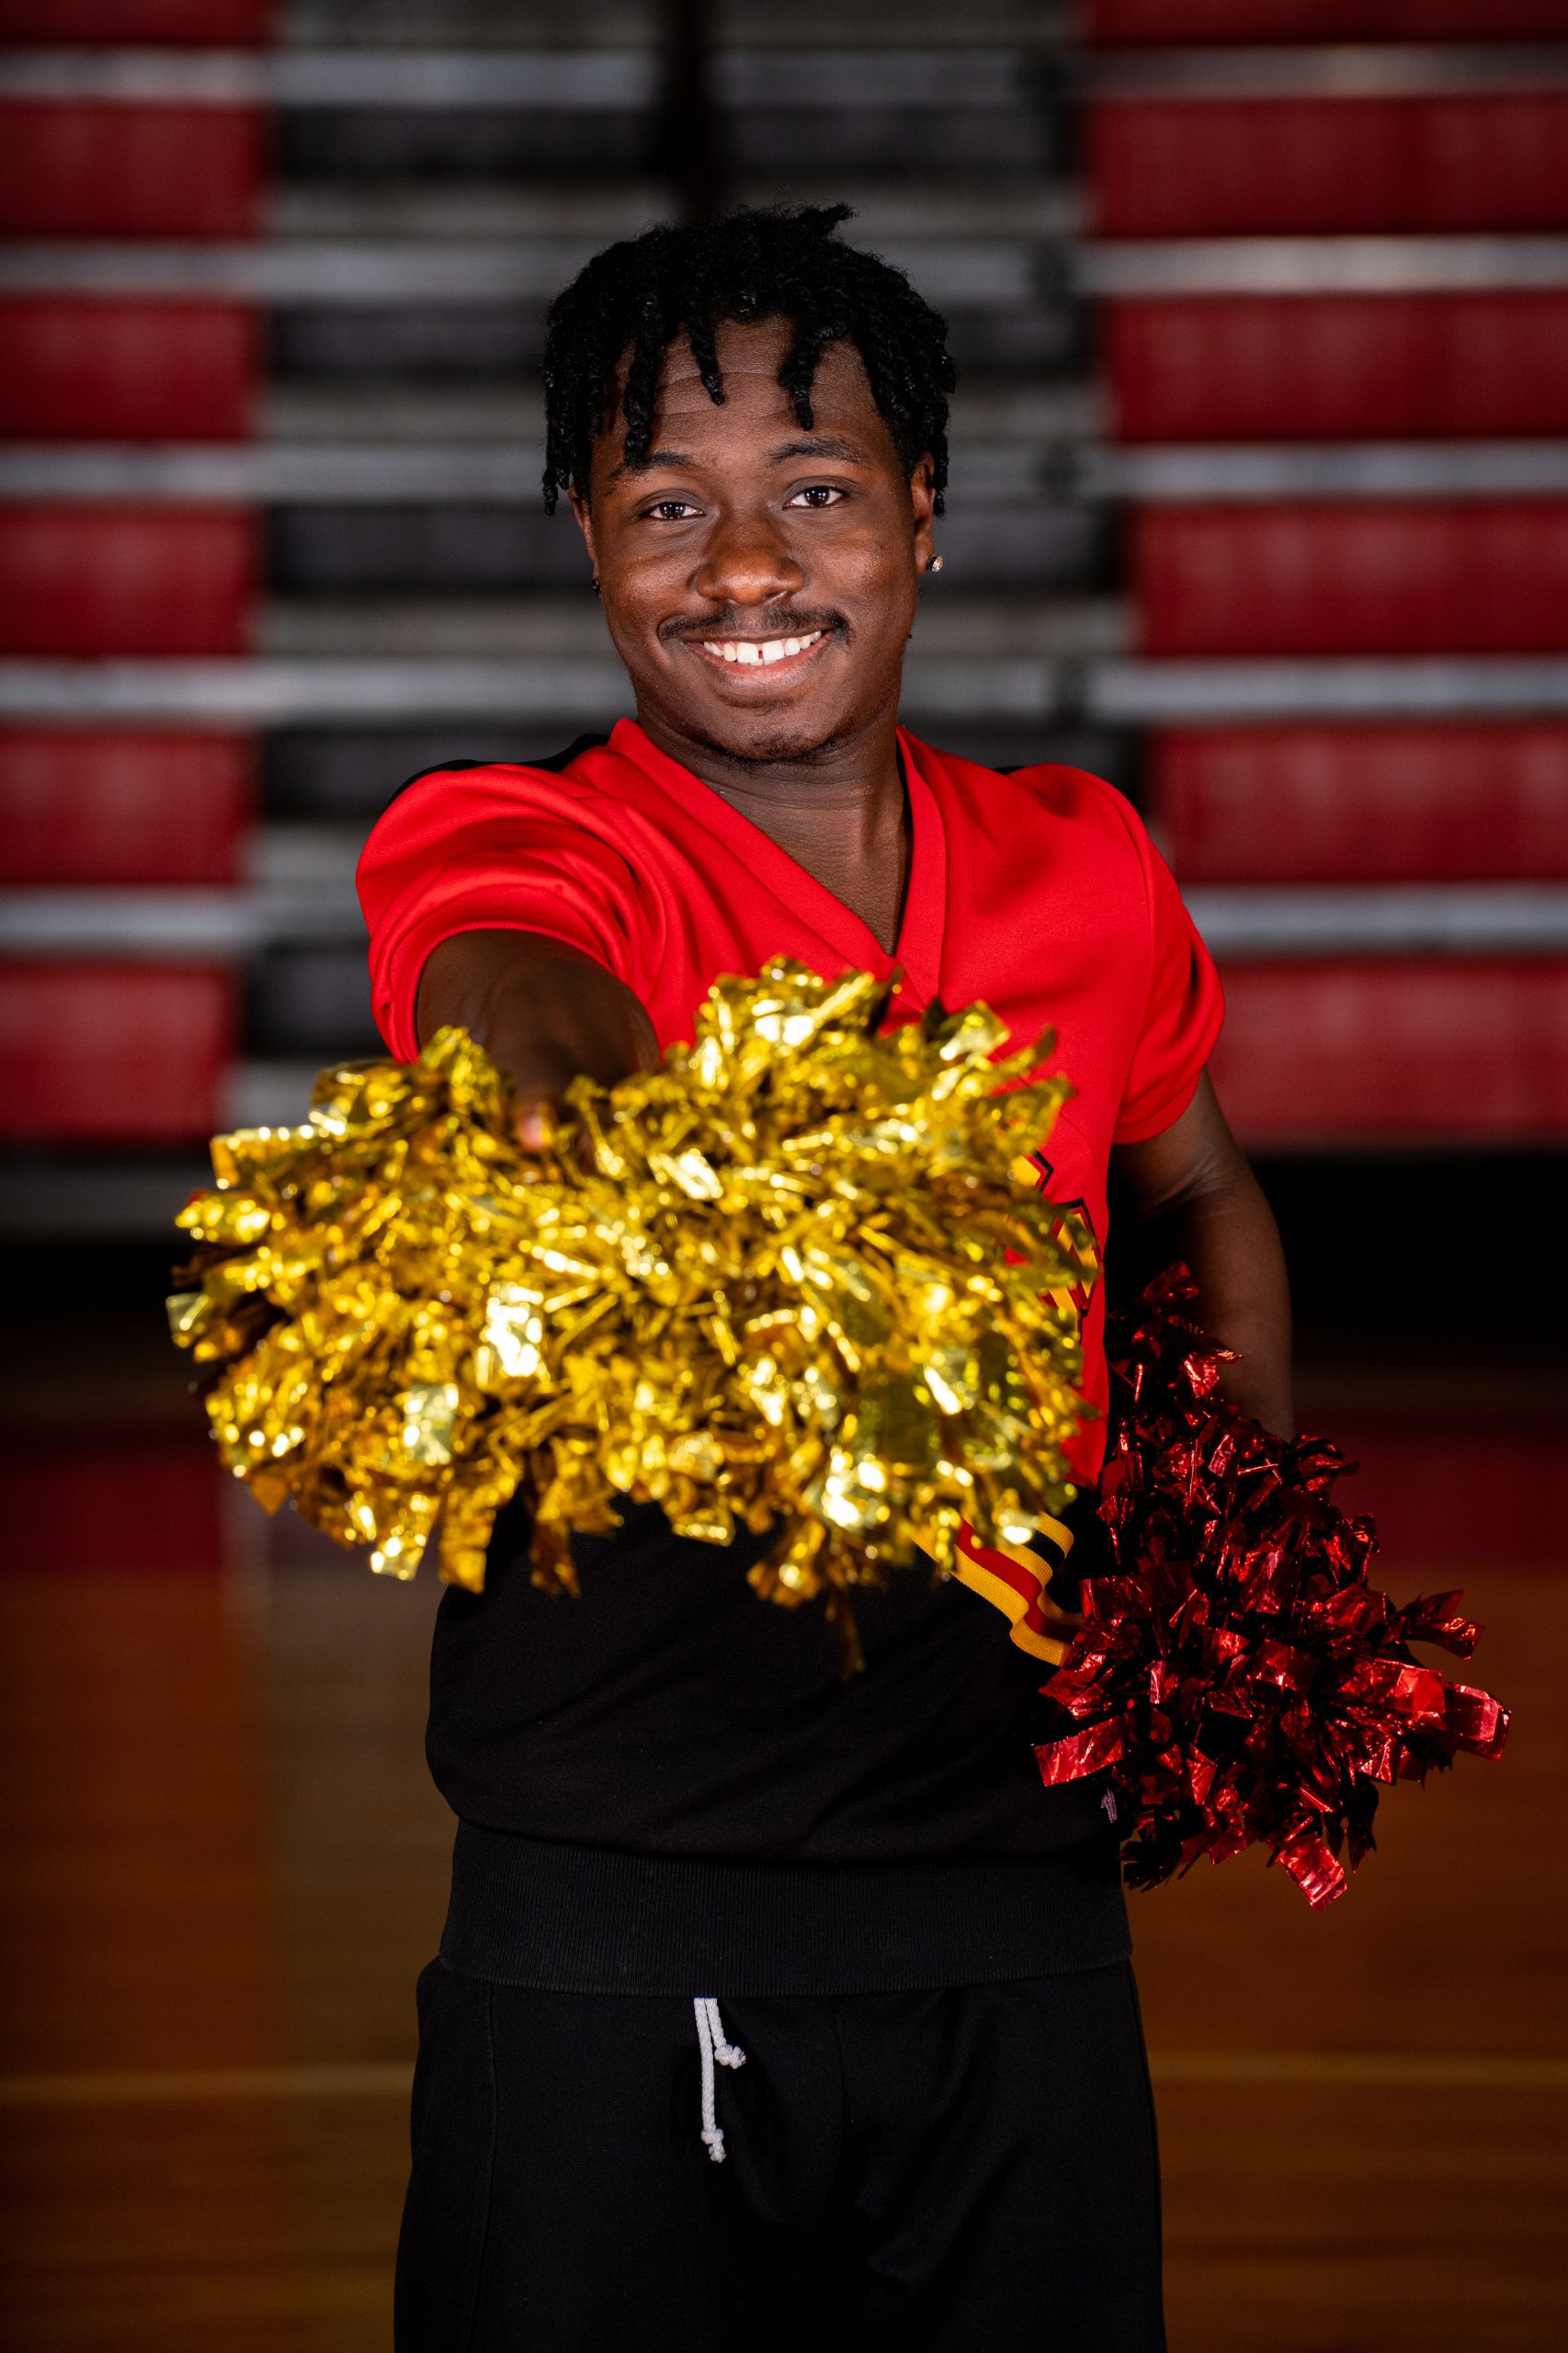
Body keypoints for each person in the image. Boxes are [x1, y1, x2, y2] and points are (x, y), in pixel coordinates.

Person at [359, 204, 1292, 2353]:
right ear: (589, 542)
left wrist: (1223, 1516)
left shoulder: (1083, 863)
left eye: (813, 491)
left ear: (923, 512)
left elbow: (1195, 1183)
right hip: (619, 1899)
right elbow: (510, 980)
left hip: (1017, 1893)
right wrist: (582, 1104)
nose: (745, 566)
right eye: (665, 505)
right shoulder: (520, 836)